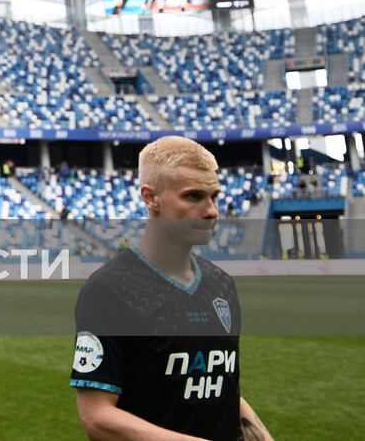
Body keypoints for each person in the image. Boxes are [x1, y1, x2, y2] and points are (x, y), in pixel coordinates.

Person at [71, 137, 273, 440]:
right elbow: (97, 417)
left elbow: (222, 386)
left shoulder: (222, 285)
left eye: (214, 196)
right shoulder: (109, 289)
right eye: (194, 197)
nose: (212, 211)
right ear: (151, 198)